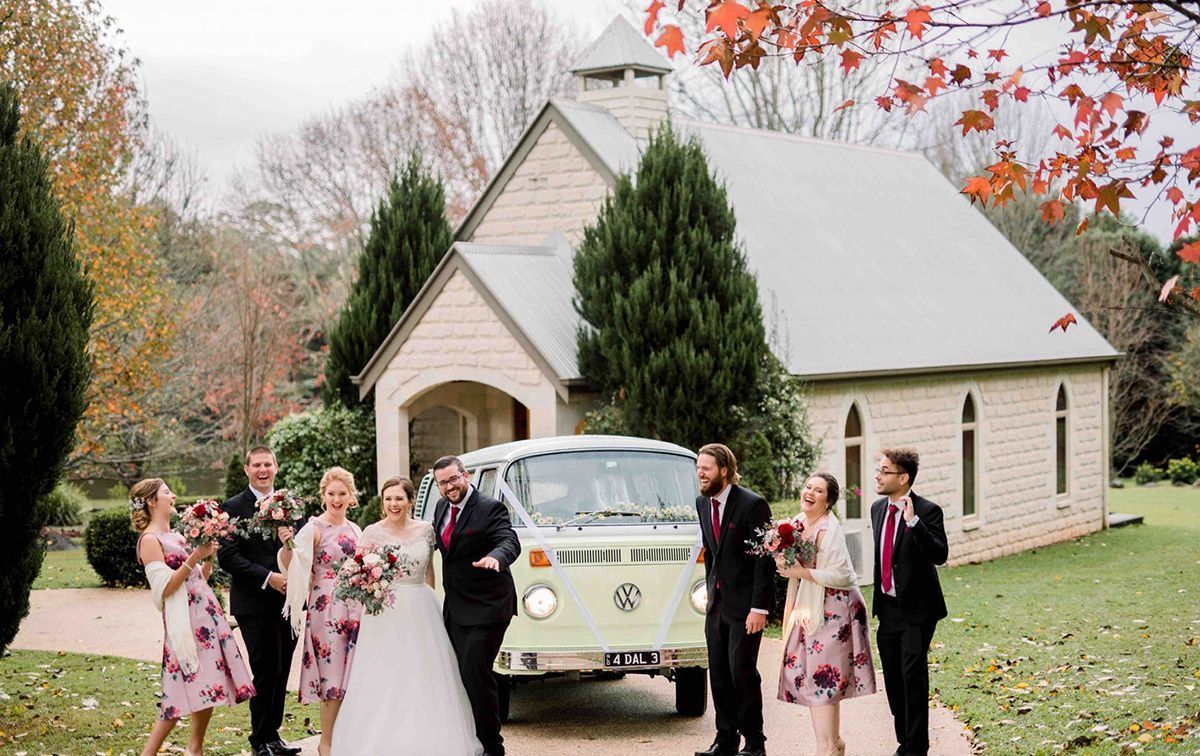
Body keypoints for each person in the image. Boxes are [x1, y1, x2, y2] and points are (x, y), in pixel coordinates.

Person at [332, 477, 483, 756]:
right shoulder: (372, 532)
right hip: (385, 611)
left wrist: (433, 600)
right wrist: (371, 591)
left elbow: (429, 571)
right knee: (386, 673)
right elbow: (354, 572)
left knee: (425, 673)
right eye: (388, 499)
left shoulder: (426, 531)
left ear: (410, 500)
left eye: (399, 498)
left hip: (421, 606)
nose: (393, 504)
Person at [131, 478, 254, 756]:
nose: (172, 495)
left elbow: (200, 577)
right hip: (183, 623)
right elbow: (165, 588)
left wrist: (207, 555)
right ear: (151, 501)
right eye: (166, 492)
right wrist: (194, 556)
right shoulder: (150, 540)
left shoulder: (176, 535)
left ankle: (195, 748)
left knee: (208, 683)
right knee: (175, 694)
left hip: (205, 617)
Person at [775, 473, 877, 756]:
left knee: (823, 678)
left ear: (828, 501)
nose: (809, 492)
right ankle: (833, 743)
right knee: (814, 675)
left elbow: (843, 574)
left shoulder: (829, 530)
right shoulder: (796, 522)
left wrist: (800, 572)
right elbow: (790, 558)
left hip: (835, 608)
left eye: (818, 490)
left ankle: (826, 747)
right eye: (808, 486)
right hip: (809, 606)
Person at [432, 455, 521, 756]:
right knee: (458, 672)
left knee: (475, 669)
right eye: (443, 482)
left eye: (454, 479)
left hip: (489, 605)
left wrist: (498, 556)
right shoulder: (441, 507)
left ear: (466, 476)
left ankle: (492, 746)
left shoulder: (489, 507)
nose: (449, 486)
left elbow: (508, 539)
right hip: (456, 607)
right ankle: (469, 739)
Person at [217, 446, 301, 756]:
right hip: (254, 602)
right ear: (247, 470)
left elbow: (301, 550)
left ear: (276, 467)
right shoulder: (232, 507)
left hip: (288, 603)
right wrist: (268, 577)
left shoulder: (290, 506)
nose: (262, 469)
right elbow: (227, 557)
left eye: (267, 464)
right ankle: (259, 739)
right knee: (265, 668)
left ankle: (273, 735)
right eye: (256, 465)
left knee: (282, 669)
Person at [694, 443, 774, 756]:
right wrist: (709, 591)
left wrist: (760, 607)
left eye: (707, 468)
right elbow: (710, 554)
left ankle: (755, 744)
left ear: (724, 471)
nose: (700, 474)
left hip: (747, 608)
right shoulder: (702, 505)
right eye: (698, 468)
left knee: (742, 671)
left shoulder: (753, 504)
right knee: (719, 672)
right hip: (717, 605)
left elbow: (764, 560)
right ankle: (725, 741)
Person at [278, 467, 363, 756]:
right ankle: (325, 744)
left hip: (355, 608)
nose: (336, 499)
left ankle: (345, 739)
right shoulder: (314, 527)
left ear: (351, 497)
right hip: (326, 609)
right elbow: (293, 565)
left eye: (342, 494)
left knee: (351, 676)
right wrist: (287, 544)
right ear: (323, 496)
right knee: (332, 677)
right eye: (331, 494)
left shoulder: (356, 530)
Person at [870, 448, 948, 756]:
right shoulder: (876, 509)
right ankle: (905, 742)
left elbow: (939, 555)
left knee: (912, 678)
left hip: (917, 611)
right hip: (887, 609)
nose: (878, 475)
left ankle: (915, 749)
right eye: (878, 469)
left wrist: (914, 522)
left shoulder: (928, 511)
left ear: (903, 478)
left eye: (884, 471)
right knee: (892, 679)